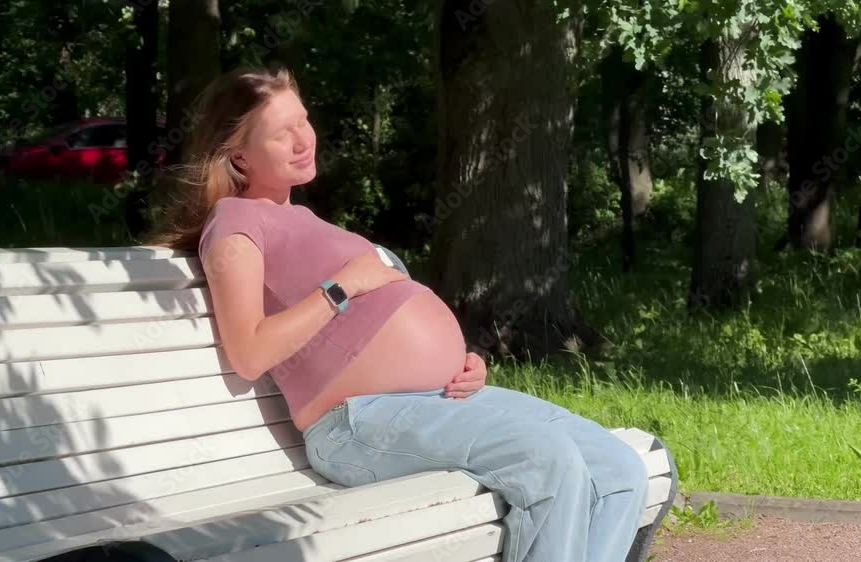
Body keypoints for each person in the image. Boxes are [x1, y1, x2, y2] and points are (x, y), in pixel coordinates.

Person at [149, 66, 650, 562]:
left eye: (303, 121)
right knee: (546, 459)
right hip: (358, 423)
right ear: (239, 155)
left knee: (618, 471)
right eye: (283, 133)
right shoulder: (235, 221)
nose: (304, 139)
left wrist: (459, 361)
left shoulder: (301, 217)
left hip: (440, 400)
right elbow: (249, 353)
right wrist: (341, 287)